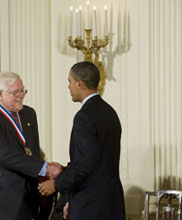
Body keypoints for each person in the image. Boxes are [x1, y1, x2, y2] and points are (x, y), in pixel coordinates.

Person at [0, 72, 62, 220]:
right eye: (15, 92)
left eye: (22, 90)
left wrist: (43, 174)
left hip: (24, 199)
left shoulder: (29, 114)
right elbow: (4, 155)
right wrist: (44, 167)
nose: (21, 95)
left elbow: (33, 151)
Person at [38, 61, 126, 220]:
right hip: (111, 202)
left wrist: (56, 185)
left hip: (90, 204)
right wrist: (64, 170)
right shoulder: (109, 112)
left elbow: (84, 165)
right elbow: (98, 159)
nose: (68, 87)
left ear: (79, 83)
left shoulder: (84, 117)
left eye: (69, 81)